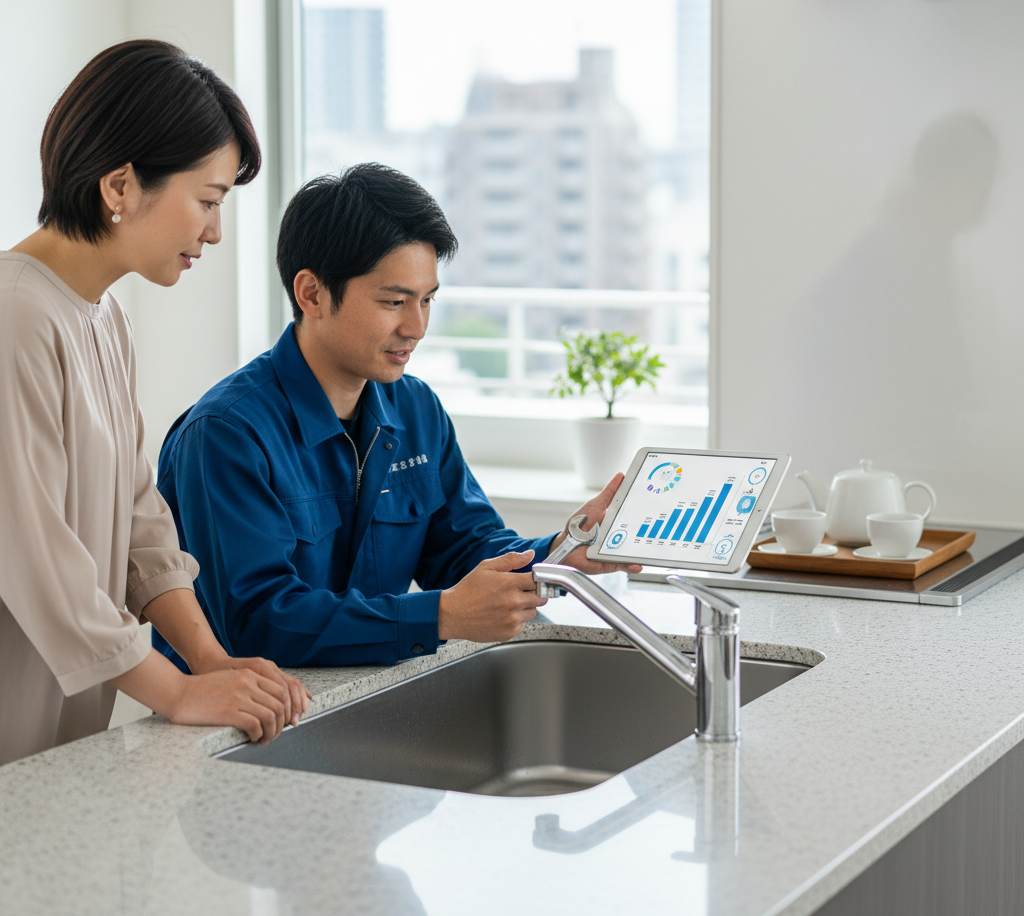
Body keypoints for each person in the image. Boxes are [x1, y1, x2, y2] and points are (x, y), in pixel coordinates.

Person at [155, 163, 640, 670]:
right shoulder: (226, 434)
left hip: (361, 693)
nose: (417, 327)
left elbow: (464, 548)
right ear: (312, 293)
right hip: (246, 711)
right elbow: (260, 620)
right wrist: (439, 615)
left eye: (427, 300)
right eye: (394, 301)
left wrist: (560, 553)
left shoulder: (416, 408)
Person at [0, 40, 309, 766]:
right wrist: (173, 692)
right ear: (121, 185)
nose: (215, 231)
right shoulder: (15, 316)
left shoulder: (105, 317)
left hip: (59, 738)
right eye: (208, 200)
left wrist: (209, 659)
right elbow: (36, 555)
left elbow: (140, 521)